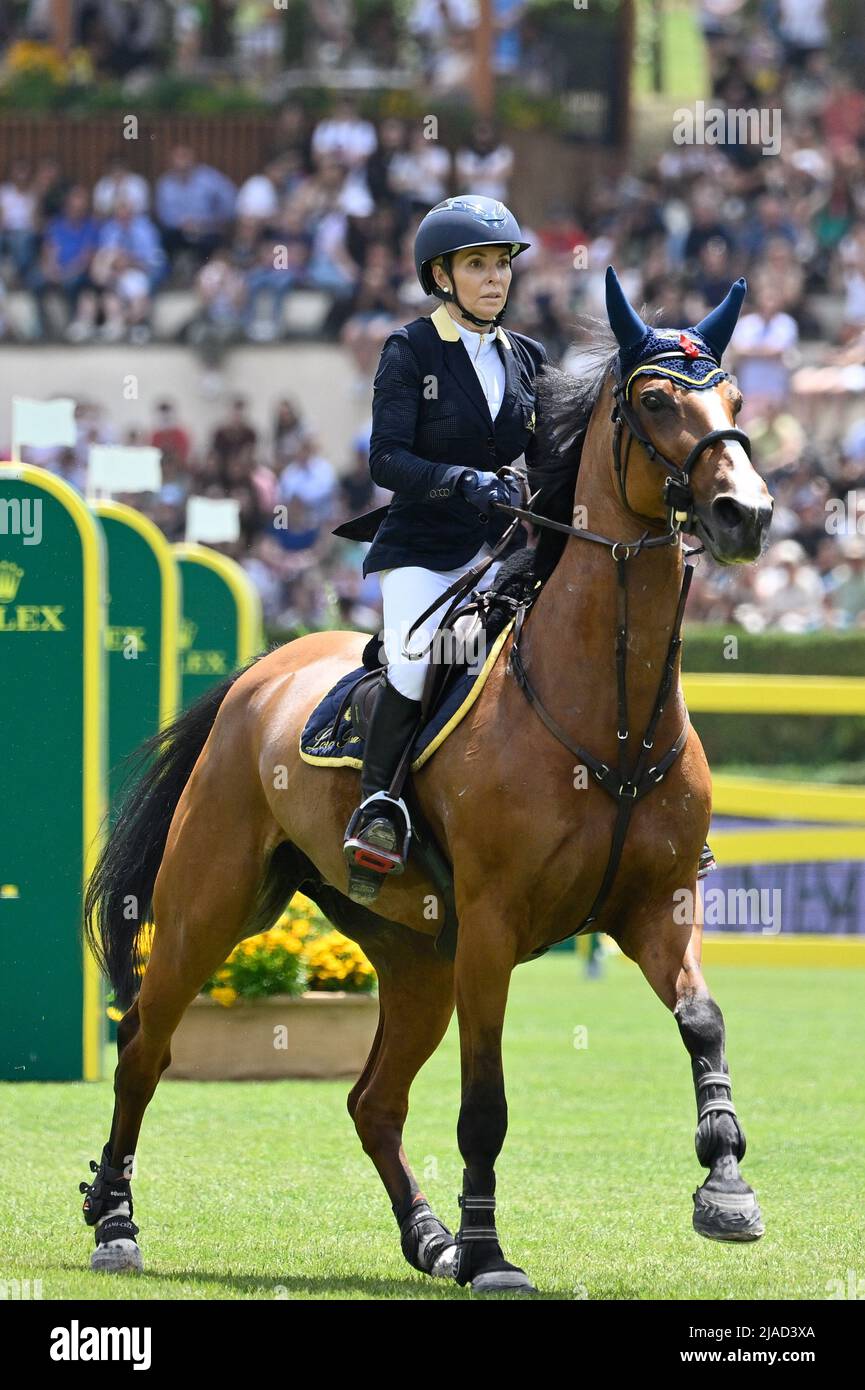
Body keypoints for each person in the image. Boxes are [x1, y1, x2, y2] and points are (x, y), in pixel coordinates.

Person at [335, 194, 548, 904]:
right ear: (441, 276)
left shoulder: (526, 358)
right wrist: (459, 479)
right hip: (424, 549)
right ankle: (379, 807)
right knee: (419, 654)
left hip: (502, 553)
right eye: (476, 265)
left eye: (501, 265)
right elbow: (386, 460)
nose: (494, 278)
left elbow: (549, 458)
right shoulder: (410, 350)